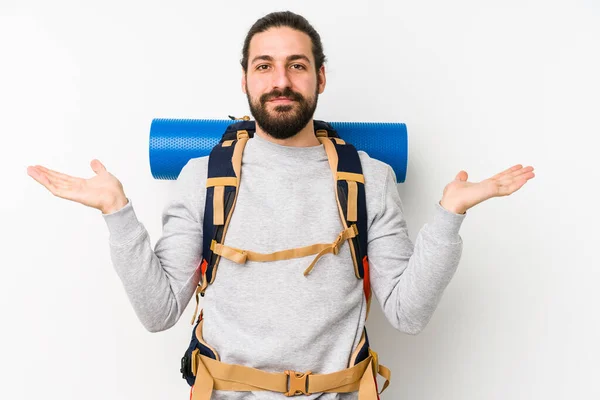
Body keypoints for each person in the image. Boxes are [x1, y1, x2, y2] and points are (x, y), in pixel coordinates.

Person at [26, 10, 535, 400]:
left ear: (320, 77)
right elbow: (160, 312)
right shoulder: (202, 176)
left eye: (297, 65)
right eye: (264, 66)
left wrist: (449, 216)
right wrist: (117, 214)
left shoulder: (370, 179)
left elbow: (407, 314)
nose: (281, 81)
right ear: (245, 79)